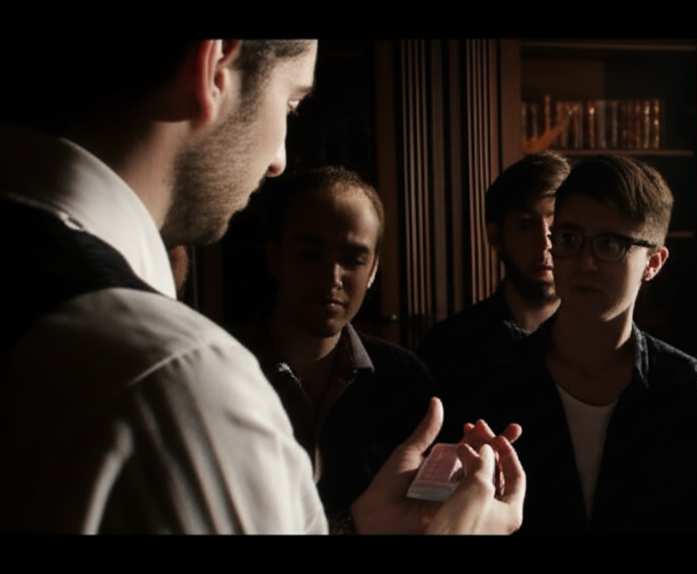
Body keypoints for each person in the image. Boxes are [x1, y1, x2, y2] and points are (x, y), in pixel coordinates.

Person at [0, 38, 524, 534]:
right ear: (217, 65)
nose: (279, 159)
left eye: (353, 257)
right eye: (291, 104)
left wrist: (361, 525)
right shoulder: (180, 381)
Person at [468, 154, 697, 533]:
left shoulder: (686, 388)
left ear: (653, 262)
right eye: (569, 239)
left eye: (608, 244)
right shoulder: (499, 380)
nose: (583, 262)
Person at [235, 165, 436, 530]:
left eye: (353, 259)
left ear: (373, 270)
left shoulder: (404, 381)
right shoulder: (221, 370)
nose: (331, 278)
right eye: (310, 254)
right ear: (275, 256)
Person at [417, 151, 569, 392]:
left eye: (557, 227)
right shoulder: (448, 347)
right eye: (526, 224)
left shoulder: (599, 343)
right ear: (495, 236)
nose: (545, 243)